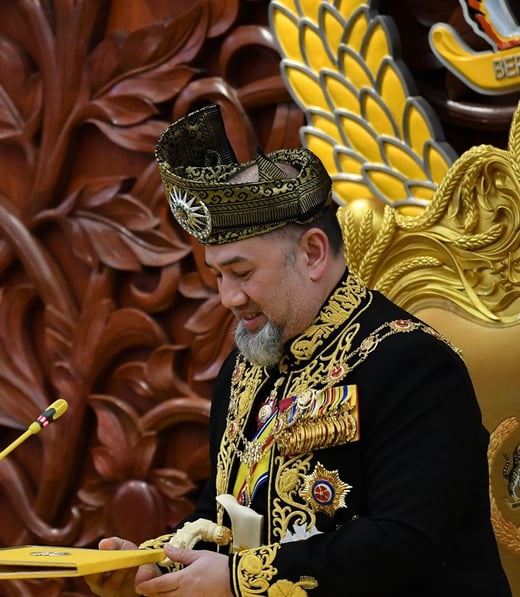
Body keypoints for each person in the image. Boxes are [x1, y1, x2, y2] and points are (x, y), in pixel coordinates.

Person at [85, 104, 511, 596]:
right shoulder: (244, 369)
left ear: (312, 253)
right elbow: (223, 514)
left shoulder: (413, 365)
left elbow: (405, 545)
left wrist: (240, 582)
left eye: (242, 273)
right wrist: (155, 564)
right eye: (218, 275)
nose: (228, 297)